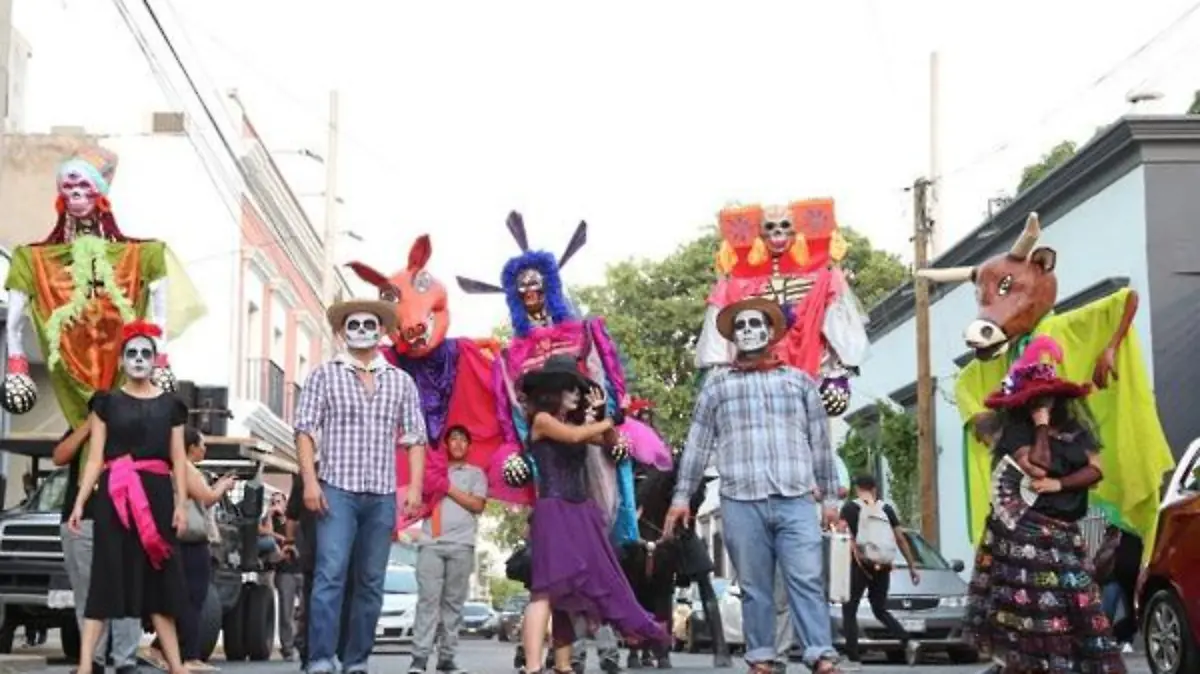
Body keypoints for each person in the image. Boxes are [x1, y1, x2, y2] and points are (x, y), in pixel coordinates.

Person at [664, 297, 841, 674]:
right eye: (740, 326)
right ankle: (762, 658)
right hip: (741, 499)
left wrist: (829, 499)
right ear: (732, 336)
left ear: (771, 332)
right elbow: (697, 444)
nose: (748, 331)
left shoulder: (799, 382)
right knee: (755, 585)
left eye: (755, 324)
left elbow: (820, 442)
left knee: (806, 578)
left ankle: (820, 655)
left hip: (794, 496)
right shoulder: (716, 387)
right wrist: (681, 497)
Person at [963, 336, 1125, 673]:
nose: (1044, 402)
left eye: (1048, 398)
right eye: (1037, 399)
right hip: (1026, 536)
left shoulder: (1078, 430)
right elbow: (1038, 465)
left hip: (1066, 535)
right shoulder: (1016, 433)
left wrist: (1061, 483)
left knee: (1080, 612)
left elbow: (1097, 470)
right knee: (1033, 621)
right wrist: (1040, 425)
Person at [294, 298, 427, 674]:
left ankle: (356, 661)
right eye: (353, 325)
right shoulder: (324, 375)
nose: (362, 330)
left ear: (382, 331)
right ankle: (321, 658)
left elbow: (416, 437)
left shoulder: (401, 381)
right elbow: (304, 430)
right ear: (342, 332)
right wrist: (309, 482)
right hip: (336, 487)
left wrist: (414, 488)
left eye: (370, 324)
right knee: (330, 573)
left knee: (371, 581)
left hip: (382, 493)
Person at [517, 354, 668, 674]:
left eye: (578, 389)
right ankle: (532, 667)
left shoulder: (578, 424)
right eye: (571, 389)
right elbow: (574, 438)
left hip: (580, 511)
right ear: (554, 389)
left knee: (569, 590)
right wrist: (609, 420)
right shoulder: (542, 420)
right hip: (554, 510)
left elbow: (610, 443)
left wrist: (604, 416)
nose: (576, 394)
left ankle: (562, 664)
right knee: (545, 590)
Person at [65, 319, 191, 674]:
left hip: (157, 496)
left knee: (160, 578)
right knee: (106, 577)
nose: (138, 359)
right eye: (132, 353)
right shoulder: (106, 403)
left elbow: (179, 459)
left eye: (145, 353)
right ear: (121, 361)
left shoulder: (172, 406)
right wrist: (79, 502)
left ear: (155, 360)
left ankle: (177, 666)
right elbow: (94, 457)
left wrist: (181, 503)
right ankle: (86, 665)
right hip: (114, 497)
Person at [53, 424, 142, 674]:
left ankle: (125, 661)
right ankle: (92, 661)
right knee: (88, 592)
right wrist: (87, 426)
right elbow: (59, 456)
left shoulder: (132, 421)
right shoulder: (78, 424)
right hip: (82, 520)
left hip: (125, 516)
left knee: (126, 589)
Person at [408, 425, 488, 674]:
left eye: (464, 440)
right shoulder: (431, 470)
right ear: (446, 444)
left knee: (453, 604)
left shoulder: (475, 474)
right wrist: (436, 482)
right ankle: (419, 659)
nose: (458, 443)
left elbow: (477, 504)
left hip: (462, 545)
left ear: (469, 446)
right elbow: (416, 500)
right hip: (431, 543)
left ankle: (446, 659)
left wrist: (448, 487)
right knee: (427, 603)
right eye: (454, 439)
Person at [837, 475, 921, 666]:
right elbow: (900, 539)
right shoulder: (886, 509)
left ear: (857, 489)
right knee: (880, 609)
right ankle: (907, 640)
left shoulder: (850, 508)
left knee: (849, 610)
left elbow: (840, 535)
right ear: (875, 489)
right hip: (882, 566)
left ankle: (853, 657)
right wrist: (912, 566)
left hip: (859, 566)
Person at [173, 427, 235, 672]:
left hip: (188, 539)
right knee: (194, 598)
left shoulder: (183, 468)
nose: (205, 448)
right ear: (191, 447)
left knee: (190, 598)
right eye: (202, 444)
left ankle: (176, 650)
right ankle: (189, 655)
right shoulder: (186, 468)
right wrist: (223, 486)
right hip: (191, 539)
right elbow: (207, 497)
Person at [271, 491, 303, 662]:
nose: (276, 504)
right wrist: (269, 515)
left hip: (302, 569)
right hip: (284, 572)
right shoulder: (272, 523)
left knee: (307, 610)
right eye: (273, 501)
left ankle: (303, 642)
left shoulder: (296, 520)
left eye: (279, 501)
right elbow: (262, 532)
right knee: (285, 613)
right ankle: (288, 649)